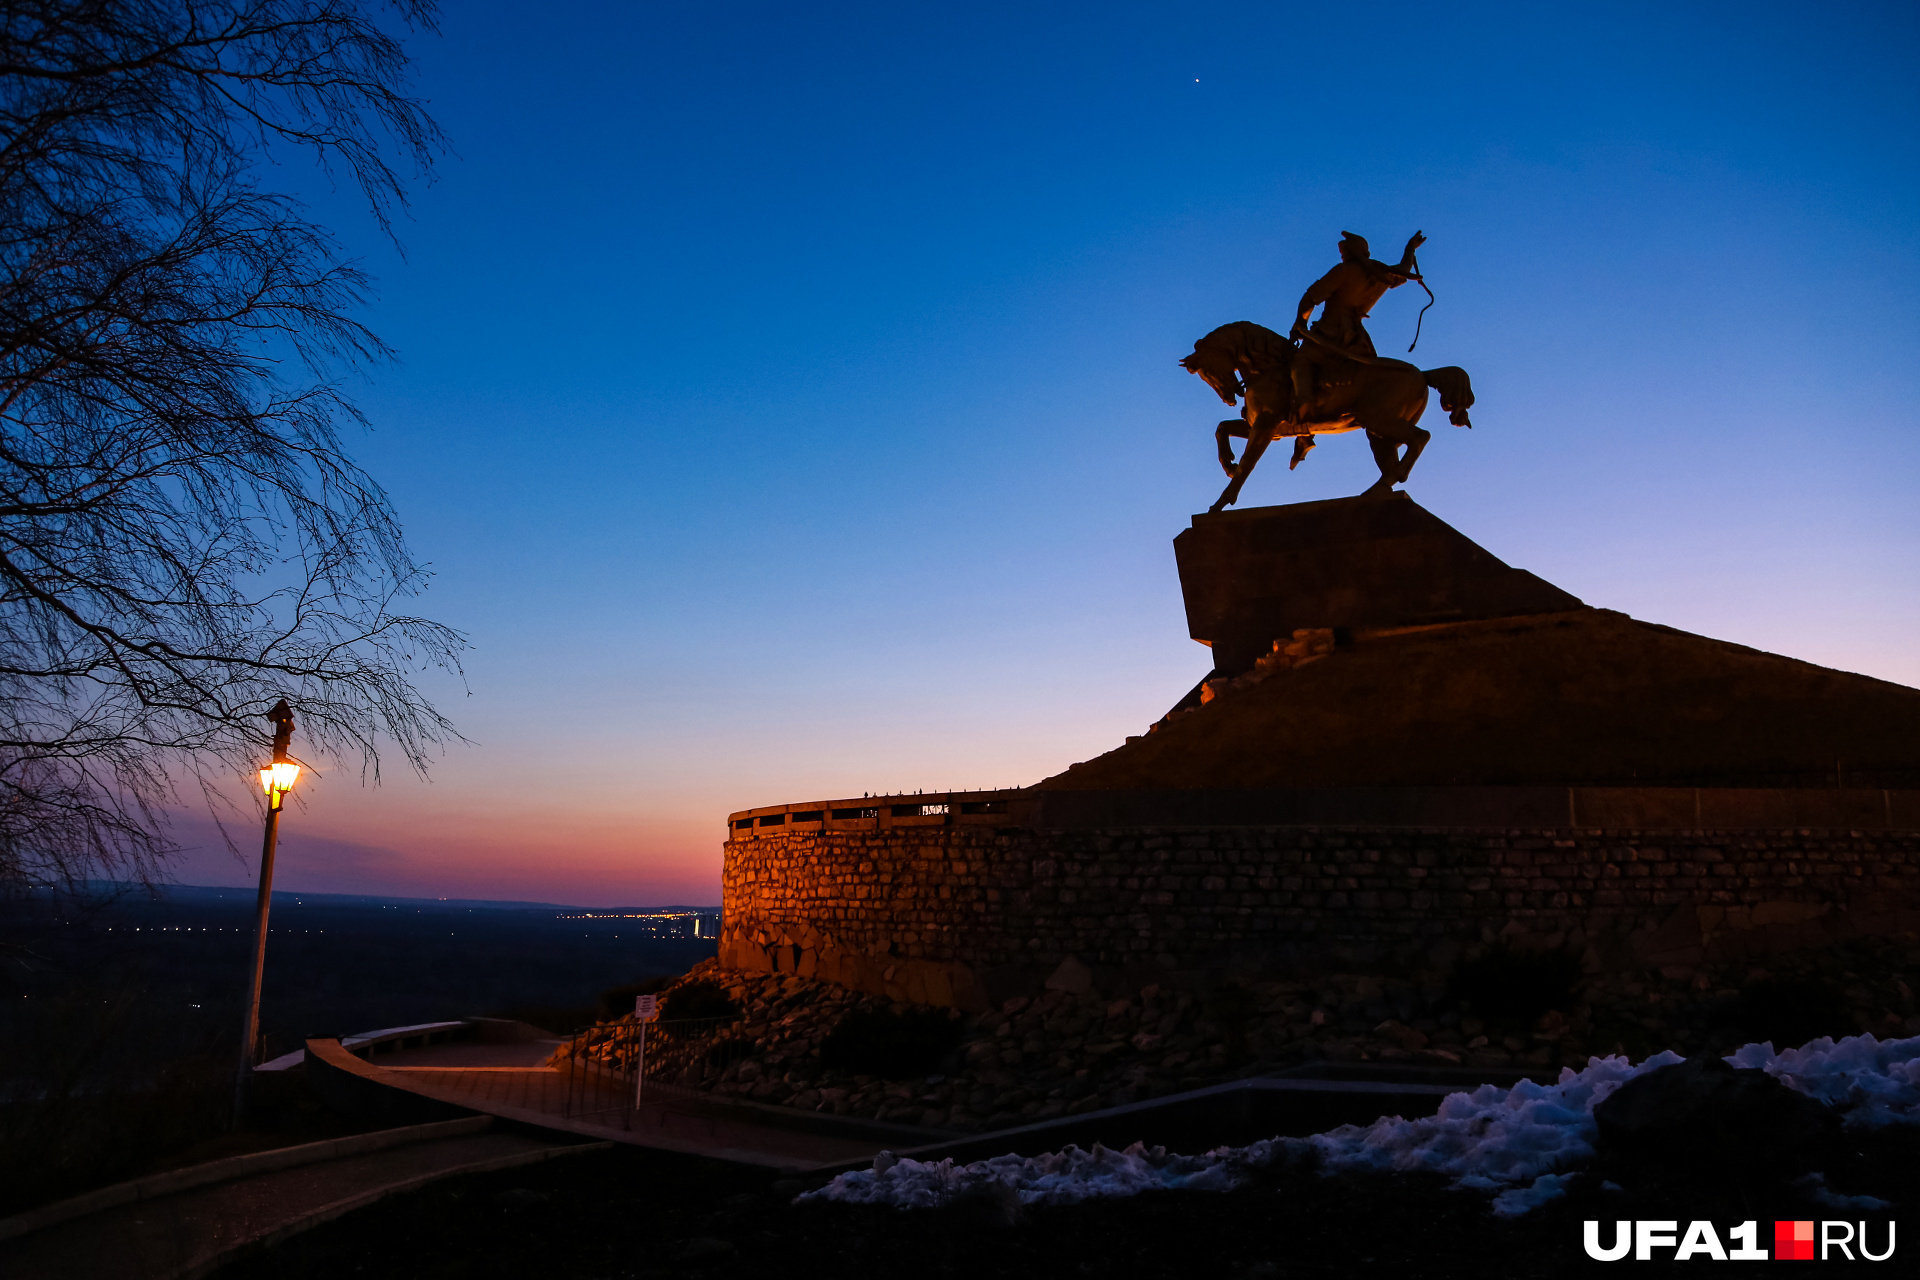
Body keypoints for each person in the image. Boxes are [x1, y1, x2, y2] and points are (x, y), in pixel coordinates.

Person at [1289, 230, 1425, 410]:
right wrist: (1410, 249)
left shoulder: (1344, 271)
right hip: (1358, 341)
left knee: (1301, 361)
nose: (1342, 255)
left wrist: (1300, 322)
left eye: (1343, 252)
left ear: (1351, 251)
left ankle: (1303, 410)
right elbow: (1404, 268)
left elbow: (1311, 298)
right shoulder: (1380, 277)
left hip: (1330, 333)